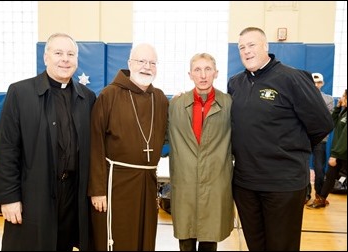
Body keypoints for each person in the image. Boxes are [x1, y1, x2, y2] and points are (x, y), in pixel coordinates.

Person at [227, 27, 334, 251]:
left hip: (282, 185)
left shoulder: (292, 78)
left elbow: (322, 124)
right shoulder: (235, 83)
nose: (246, 51)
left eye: (252, 45)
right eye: (241, 47)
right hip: (246, 185)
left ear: (266, 46)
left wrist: (290, 150)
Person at [0, 33, 96, 251]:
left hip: (71, 198)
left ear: (77, 60)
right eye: (58, 53)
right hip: (34, 196)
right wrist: (9, 198)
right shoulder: (20, 93)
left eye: (70, 54)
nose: (65, 59)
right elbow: (7, 149)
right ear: (46, 57)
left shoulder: (87, 98)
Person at [88, 43, 168, 251]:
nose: (147, 67)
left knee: (145, 238)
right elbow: (95, 144)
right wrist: (97, 190)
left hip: (147, 182)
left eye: (152, 62)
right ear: (129, 64)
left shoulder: (159, 98)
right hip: (116, 183)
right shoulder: (109, 95)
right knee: (119, 239)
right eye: (141, 61)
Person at [168, 53, 234, 251]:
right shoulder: (176, 105)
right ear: (190, 74)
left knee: (209, 238)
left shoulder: (229, 104)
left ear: (216, 73)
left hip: (215, 184)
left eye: (208, 69)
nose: (203, 75)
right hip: (185, 184)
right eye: (197, 70)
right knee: (185, 240)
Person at [307, 89, 347, 208]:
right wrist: (338, 108)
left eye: (343, 96)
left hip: (342, 153)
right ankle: (321, 199)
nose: (341, 98)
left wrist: (334, 154)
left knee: (330, 175)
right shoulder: (344, 113)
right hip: (340, 152)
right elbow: (332, 123)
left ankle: (321, 199)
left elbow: (345, 137)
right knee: (330, 177)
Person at [305, 73, 334, 204]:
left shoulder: (328, 99)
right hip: (304, 138)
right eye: (314, 82)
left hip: (320, 139)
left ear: (322, 83)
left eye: (318, 82)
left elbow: (327, 119)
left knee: (319, 168)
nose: (316, 84)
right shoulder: (303, 97)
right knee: (302, 167)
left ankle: (319, 195)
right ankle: (305, 195)